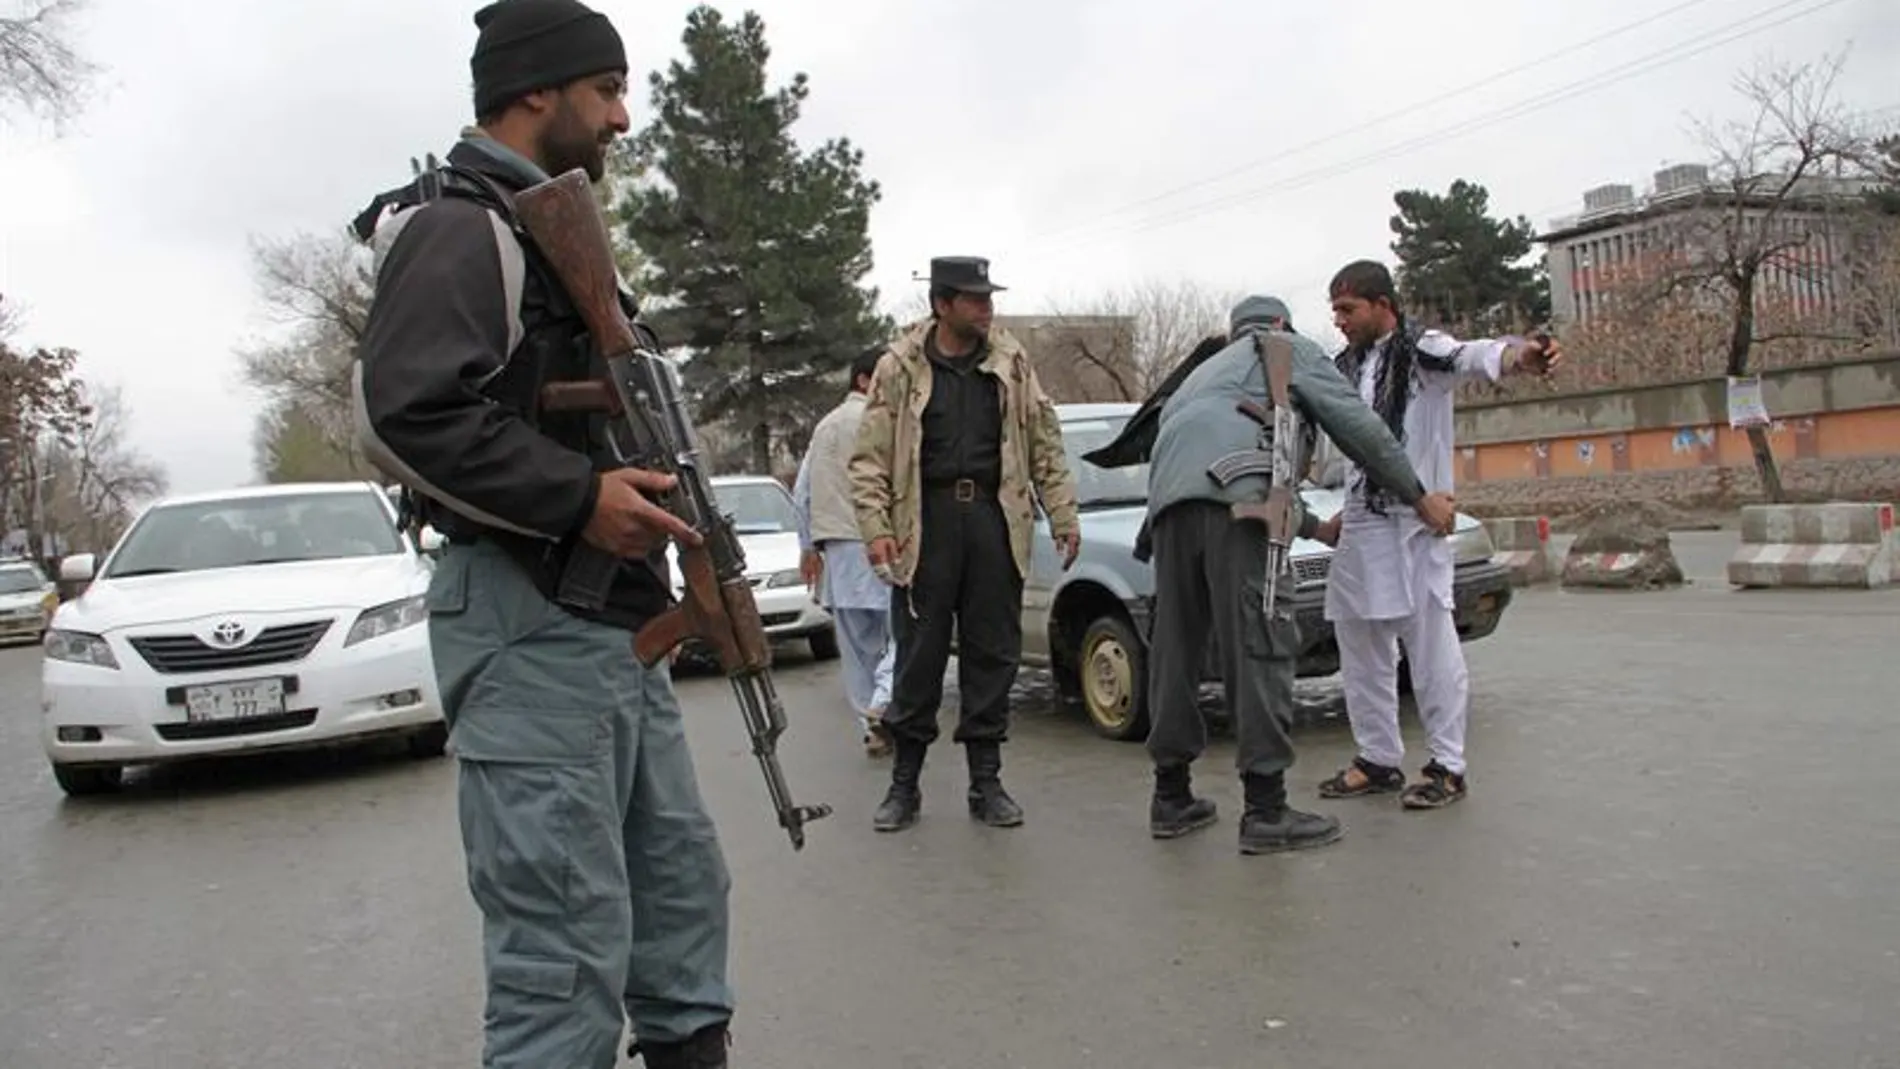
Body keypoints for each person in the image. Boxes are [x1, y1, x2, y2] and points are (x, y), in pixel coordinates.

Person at [349, 2, 735, 1066]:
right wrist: (579, 497)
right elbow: (409, 409)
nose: (622, 116)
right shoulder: (462, 225)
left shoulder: (551, 229)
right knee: (559, 959)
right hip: (529, 610)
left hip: (609, 619)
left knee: (678, 905)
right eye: (605, 90)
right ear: (533, 91)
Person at [1140, 295, 1455, 854]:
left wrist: (1313, 527)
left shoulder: (1197, 377)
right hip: (1236, 515)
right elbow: (1360, 427)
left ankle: (1171, 797)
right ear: (1279, 325)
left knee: (1175, 650)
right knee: (1260, 641)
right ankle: (1266, 809)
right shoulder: (1284, 349)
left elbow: (1226, 459)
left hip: (1168, 514)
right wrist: (1417, 493)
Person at [1315, 260, 1562, 811]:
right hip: (1360, 523)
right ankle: (1376, 759)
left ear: (1382, 306)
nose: (1339, 320)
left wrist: (1522, 354)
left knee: (1429, 647)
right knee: (1360, 645)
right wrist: (1339, 514)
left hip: (1414, 522)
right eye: (1334, 310)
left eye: (1347, 309)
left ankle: (1448, 766)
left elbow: (1475, 355)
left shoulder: (1422, 353)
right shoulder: (1342, 368)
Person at [848, 255, 1081, 833]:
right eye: (974, 299)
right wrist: (876, 529)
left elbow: (1044, 441)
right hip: (924, 523)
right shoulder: (898, 366)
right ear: (942, 305)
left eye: (988, 298)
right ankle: (904, 785)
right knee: (919, 657)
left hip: (993, 519)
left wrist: (1063, 514)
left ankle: (987, 783)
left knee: (993, 654)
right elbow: (869, 457)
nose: (986, 308)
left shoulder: (1011, 362)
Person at [793, 345, 899, 758]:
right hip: (883, 544)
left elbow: (802, 492)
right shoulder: (882, 421)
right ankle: (883, 704)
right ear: (863, 380)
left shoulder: (825, 427)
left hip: (837, 550)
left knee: (858, 650)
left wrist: (808, 547)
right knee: (905, 634)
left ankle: (870, 724)